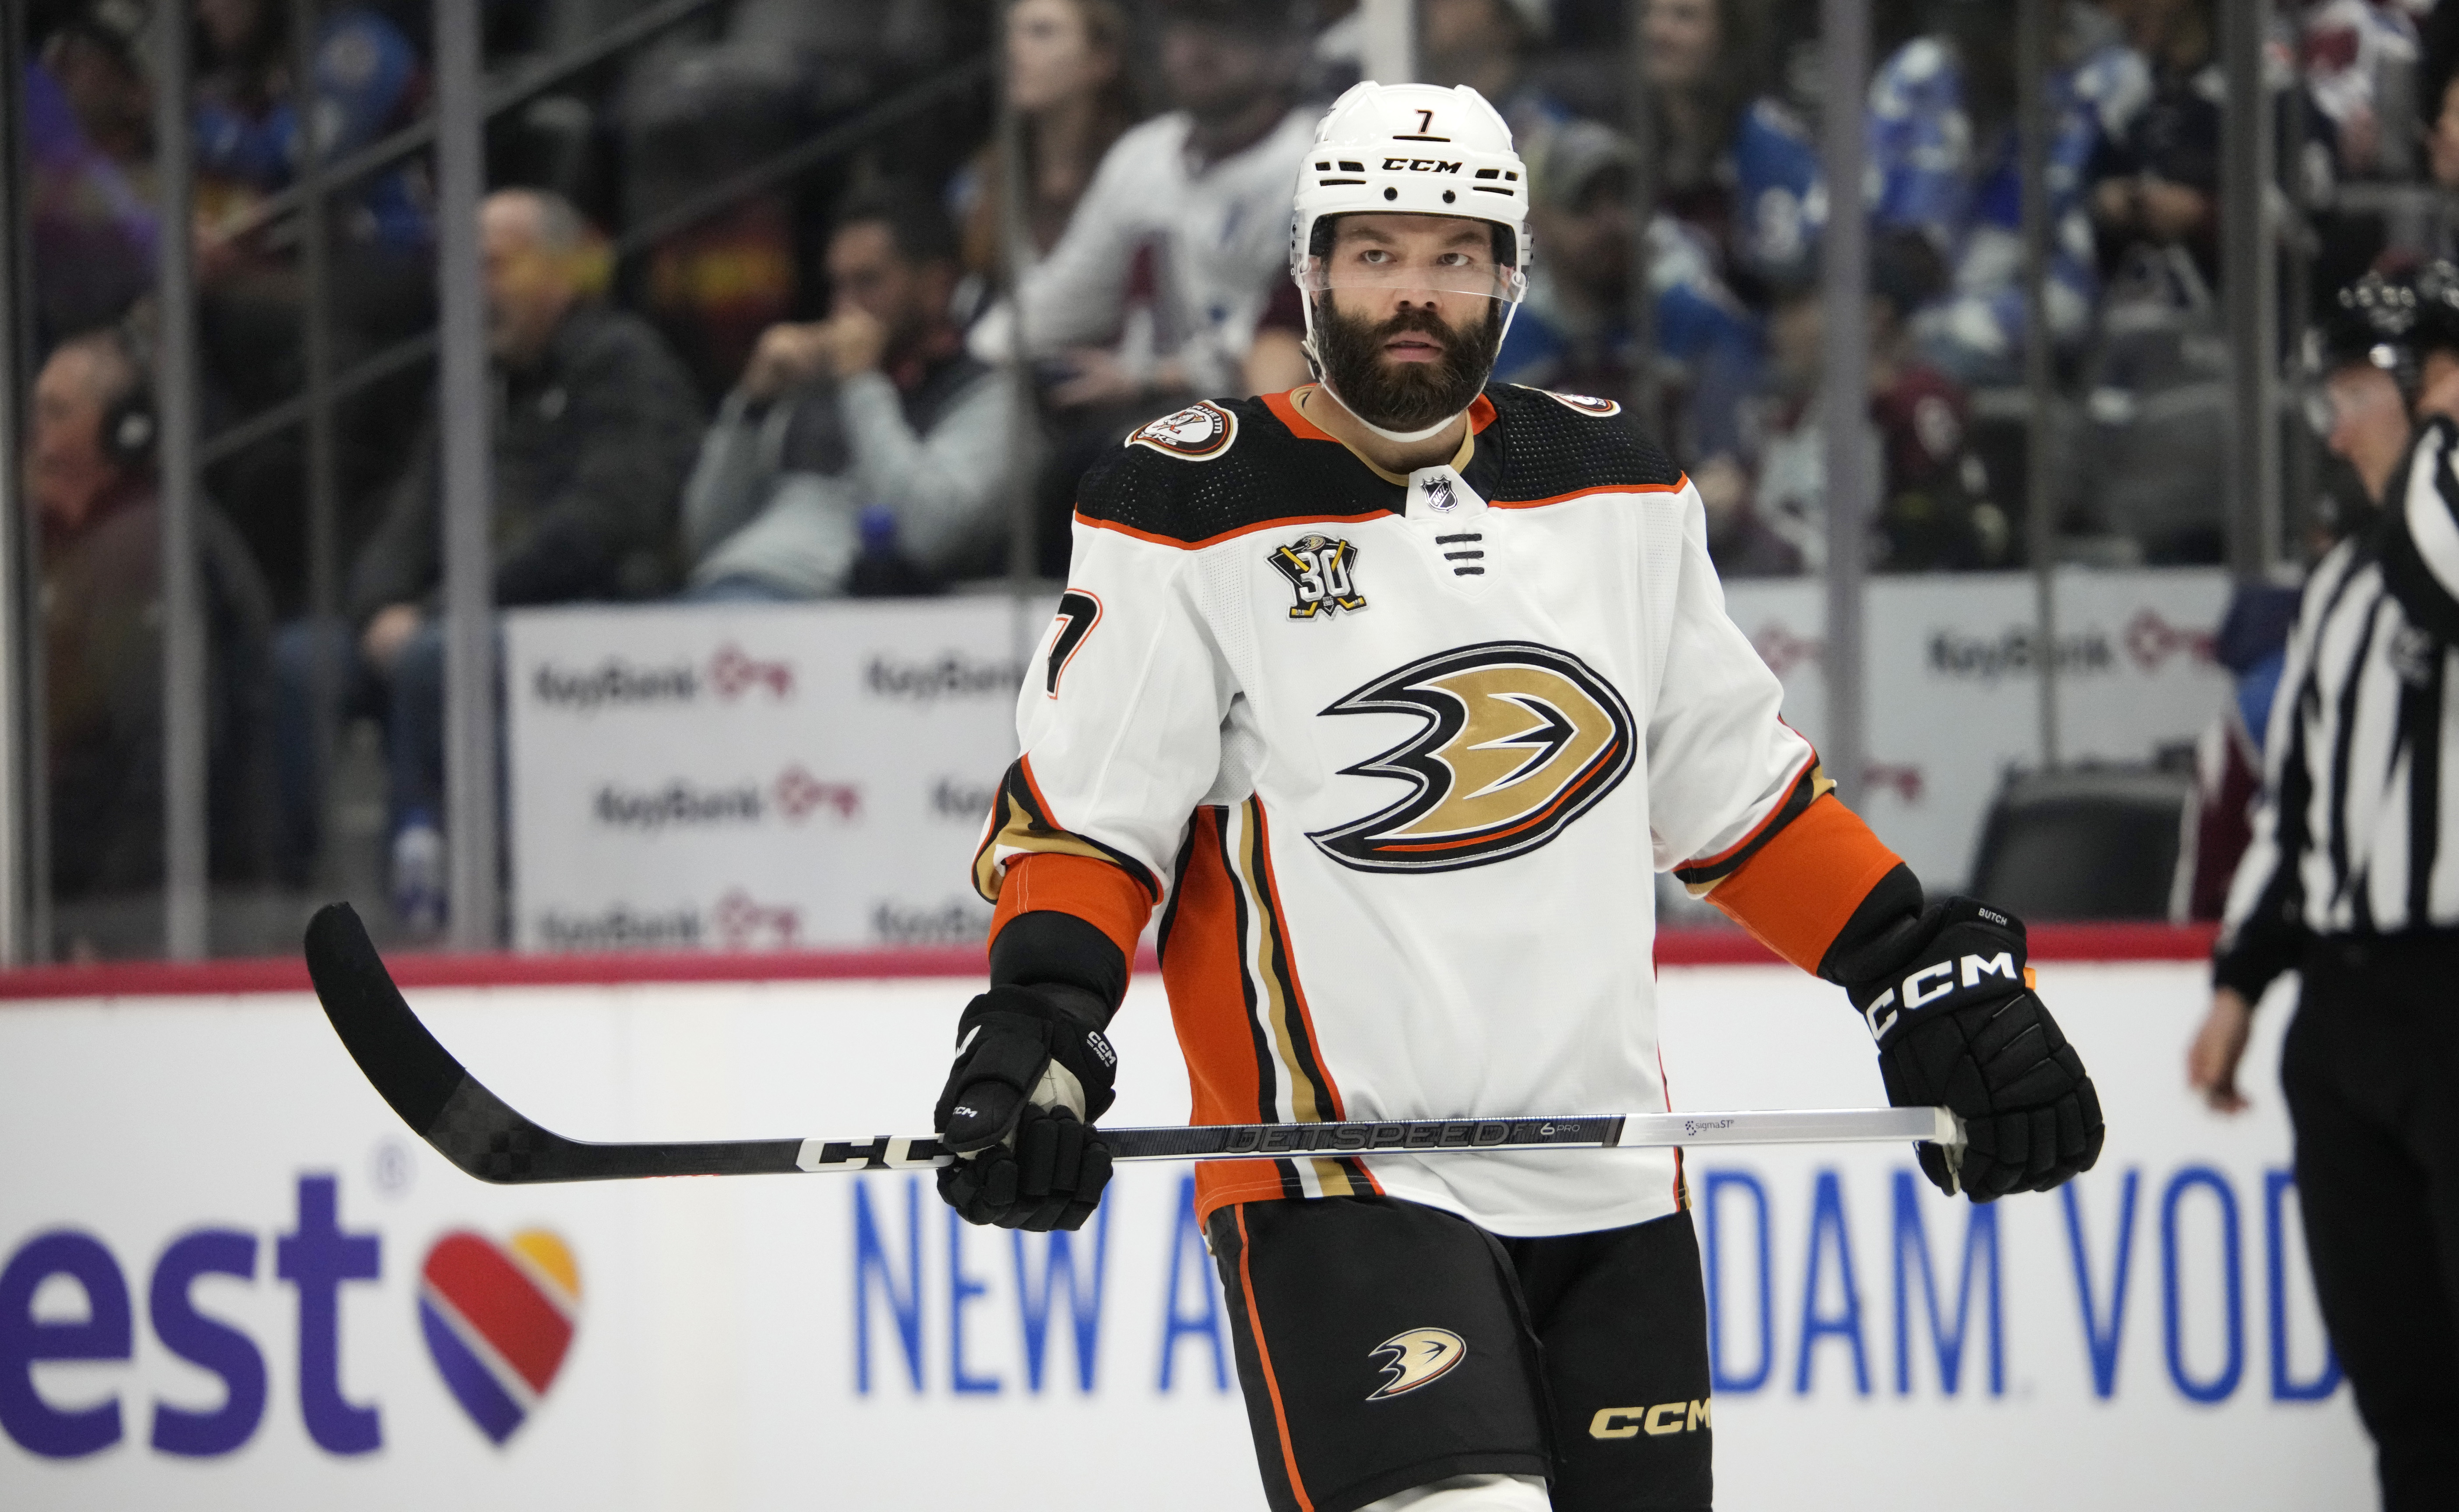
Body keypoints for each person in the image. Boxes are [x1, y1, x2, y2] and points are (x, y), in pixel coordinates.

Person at [934, 81, 2104, 1512]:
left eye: (1452, 255)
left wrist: (1911, 973)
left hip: (1610, 1186)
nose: (1411, 293)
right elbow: (1090, 817)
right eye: (1373, 255)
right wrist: (1042, 1025)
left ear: (1509, 277)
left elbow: (1737, 796)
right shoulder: (1186, 501)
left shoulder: (1614, 482)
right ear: (1310, 274)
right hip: (1339, 1183)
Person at [2189, 264, 2459, 1511]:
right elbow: (2299, 804)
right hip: (2350, 1012)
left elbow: (2444, 564)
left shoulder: (2436, 527)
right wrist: (2244, 982)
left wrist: (2445, 430)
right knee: (2402, 1387)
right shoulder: (2343, 583)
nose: (2336, 422)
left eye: (2360, 389)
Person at [272, 189, 702, 927]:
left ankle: (441, 894)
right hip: (465, 610)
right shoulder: (474, 383)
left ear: (563, 274)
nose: (475, 288)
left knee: (436, 657)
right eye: (463, 268)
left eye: (496, 265)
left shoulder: (623, 362)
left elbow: (601, 524)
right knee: (301, 661)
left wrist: (442, 610)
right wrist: (378, 605)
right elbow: (412, 514)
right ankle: (294, 897)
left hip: (587, 611)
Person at [28, 324, 272, 950]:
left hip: (114, 895)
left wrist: (107, 922)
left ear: (123, 431)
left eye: (56, 413)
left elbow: (162, 755)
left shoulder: (137, 550)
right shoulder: (63, 540)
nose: (36, 436)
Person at [966, 0, 1317, 411]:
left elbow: (1292, 333)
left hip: (1257, 417)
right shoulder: (1143, 153)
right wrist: (977, 356)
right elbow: (1068, 292)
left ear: (1279, 43)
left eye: (1224, 26)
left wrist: (1151, 377)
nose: (1197, 49)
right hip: (1145, 421)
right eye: (1184, 27)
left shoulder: (1318, 158)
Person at [683, 183, 1020, 599]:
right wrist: (751, 405)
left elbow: (929, 535)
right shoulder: (810, 387)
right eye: (838, 286)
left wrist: (862, 383)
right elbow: (704, 537)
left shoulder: (985, 395)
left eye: (868, 282)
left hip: (838, 617)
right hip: (721, 589)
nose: (846, 308)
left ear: (937, 287)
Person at [1867, 0, 2145, 384]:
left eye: (1999, 28)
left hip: (1991, 350)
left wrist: (1935, 334)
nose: (1975, 49)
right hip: (1890, 328)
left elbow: (2072, 294)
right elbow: (1862, 224)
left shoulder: (2096, 92)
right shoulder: (1921, 73)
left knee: (1928, 375)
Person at [1638, 0, 1822, 291]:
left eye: (1683, 17)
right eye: (1649, 12)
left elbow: (1791, 299)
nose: (1658, 31)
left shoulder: (1766, 142)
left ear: (1729, 38)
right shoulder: (1642, 137)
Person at [955, 0, 1138, 279]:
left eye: (1041, 32)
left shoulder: (1138, 165)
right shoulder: (992, 176)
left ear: (1101, 59)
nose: (1014, 50)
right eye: (1010, 33)